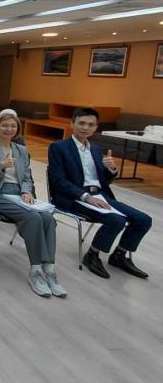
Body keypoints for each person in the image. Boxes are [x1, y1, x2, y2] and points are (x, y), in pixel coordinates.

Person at [48, 108, 152, 280]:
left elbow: (104, 181)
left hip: (100, 196)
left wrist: (111, 169)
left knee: (144, 220)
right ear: (72, 123)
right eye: (81, 123)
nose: (85, 128)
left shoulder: (96, 149)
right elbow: (58, 180)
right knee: (116, 220)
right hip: (74, 197)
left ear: (96, 127)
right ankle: (92, 255)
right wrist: (86, 197)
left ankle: (119, 255)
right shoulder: (59, 147)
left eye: (90, 125)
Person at [0, 112, 65, 298]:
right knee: (33, 218)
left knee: (47, 217)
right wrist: (0, 166)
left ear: (17, 129)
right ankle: (36, 270)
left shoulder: (21, 150)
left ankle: (49, 269)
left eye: (13, 126)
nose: (9, 129)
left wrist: (26, 191)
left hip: (18, 193)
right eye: (5, 125)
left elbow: (26, 177)